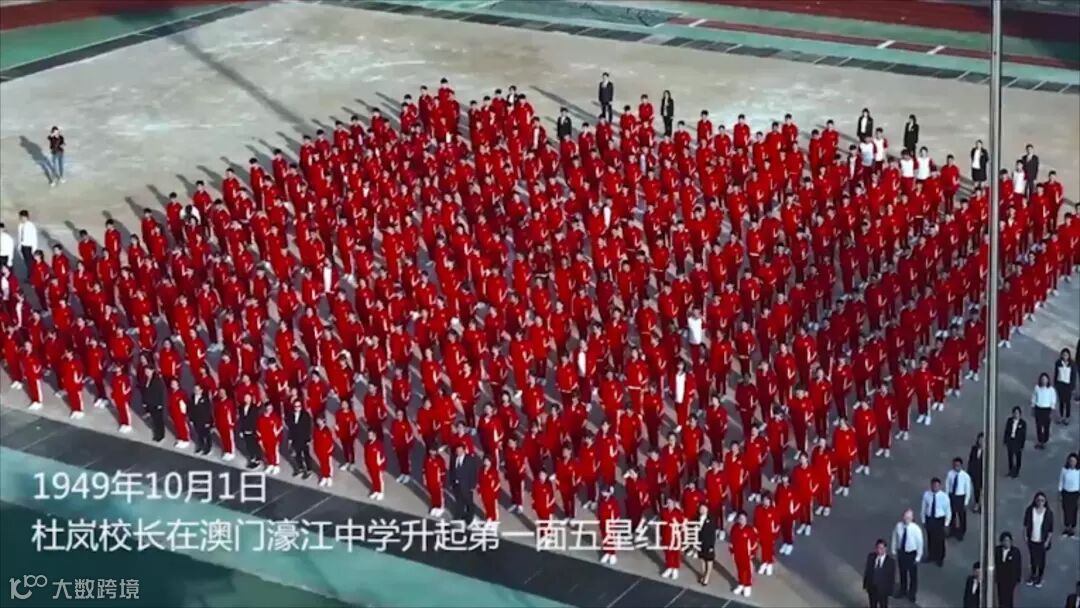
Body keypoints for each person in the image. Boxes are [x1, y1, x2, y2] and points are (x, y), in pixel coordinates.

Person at [890, 508, 923, 602]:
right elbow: (894, 537)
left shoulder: (916, 529)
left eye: (909, 517)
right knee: (902, 572)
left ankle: (912, 593)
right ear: (903, 517)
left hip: (911, 553)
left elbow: (920, 543)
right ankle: (903, 590)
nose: (907, 519)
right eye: (905, 517)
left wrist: (918, 557)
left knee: (913, 575)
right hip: (902, 552)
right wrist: (893, 550)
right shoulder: (898, 526)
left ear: (912, 518)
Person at [1022, 491, 1053, 587]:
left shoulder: (1048, 513)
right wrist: (1025, 536)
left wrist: (1047, 541)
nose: (1040, 502)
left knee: (1041, 560)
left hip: (1042, 541)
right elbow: (1025, 525)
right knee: (1033, 559)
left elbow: (1050, 530)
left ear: (1045, 501)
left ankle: (1039, 576)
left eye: (1042, 500)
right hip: (1032, 539)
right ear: (1035, 500)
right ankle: (1033, 575)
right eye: (1038, 500)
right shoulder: (1030, 510)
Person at [920, 477, 950, 566]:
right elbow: (923, 508)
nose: (935, 487)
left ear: (940, 486)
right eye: (933, 486)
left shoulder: (944, 497)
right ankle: (931, 555)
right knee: (930, 538)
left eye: (937, 486)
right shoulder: (926, 495)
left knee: (940, 539)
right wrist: (923, 520)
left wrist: (946, 523)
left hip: (939, 519)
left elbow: (948, 511)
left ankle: (940, 558)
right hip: (930, 518)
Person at [449, 443, 479, 523]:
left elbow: (473, 472)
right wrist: (451, 482)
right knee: (459, 502)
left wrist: (472, 485)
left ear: (464, 450)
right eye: (457, 450)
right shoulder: (454, 458)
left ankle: (470, 517)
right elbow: (451, 471)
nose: (458, 452)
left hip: (466, 485)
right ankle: (458, 516)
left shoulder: (469, 459)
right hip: (456, 485)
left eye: (460, 450)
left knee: (469, 502)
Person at [862, 538, 896, 608]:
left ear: (885, 549)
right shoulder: (871, 557)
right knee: (872, 604)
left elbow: (891, 577)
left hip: (883, 590)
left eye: (881, 548)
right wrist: (865, 584)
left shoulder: (890, 562)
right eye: (878, 548)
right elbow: (868, 571)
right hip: (872, 587)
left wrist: (890, 591)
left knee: (883, 605)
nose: (879, 550)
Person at [945, 457, 972, 541]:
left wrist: (966, 501)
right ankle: (952, 530)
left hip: (961, 497)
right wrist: (947, 497)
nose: (956, 467)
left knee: (961, 516)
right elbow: (947, 485)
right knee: (952, 514)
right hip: (952, 496)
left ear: (961, 466)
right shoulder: (950, 474)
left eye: (958, 465)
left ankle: (961, 532)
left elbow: (968, 489)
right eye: (955, 465)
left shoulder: (965, 476)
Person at [285, 401, 313, 479]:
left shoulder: (305, 415)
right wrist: (290, 439)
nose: (297, 408)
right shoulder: (291, 415)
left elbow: (308, 427)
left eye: (299, 406)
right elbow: (290, 428)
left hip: (303, 438)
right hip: (295, 438)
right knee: (297, 454)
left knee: (306, 454)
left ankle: (309, 469)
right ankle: (300, 468)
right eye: (295, 406)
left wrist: (308, 439)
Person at [995, 531, 1022, 608]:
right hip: (1000, 577)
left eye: (1008, 541)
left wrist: (1018, 578)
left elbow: (1018, 565)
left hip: (1010, 579)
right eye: (1005, 541)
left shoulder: (1015, 552)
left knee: (1008, 596)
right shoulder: (997, 550)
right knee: (1000, 594)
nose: (1007, 543)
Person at [1031, 372, 1057, 449]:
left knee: (1046, 426)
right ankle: (1040, 441)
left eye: (1045, 379)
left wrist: (1052, 410)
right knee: (1038, 426)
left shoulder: (1051, 389)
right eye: (1042, 379)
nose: (1044, 381)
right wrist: (1033, 407)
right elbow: (1034, 398)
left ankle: (1045, 441)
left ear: (1048, 380)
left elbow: (1053, 400)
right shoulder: (1037, 388)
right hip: (1038, 408)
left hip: (1047, 409)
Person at [141, 367, 166, 442]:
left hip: (156, 404)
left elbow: (160, 393)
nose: (147, 373)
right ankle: (156, 433)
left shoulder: (157, 380)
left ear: (152, 371)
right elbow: (144, 392)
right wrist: (144, 402)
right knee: (154, 419)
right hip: (150, 403)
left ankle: (160, 435)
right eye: (145, 371)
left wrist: (160, 404)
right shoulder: (146, 379)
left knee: (158, 420)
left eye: (148, 371)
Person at [1053, 348, 1077, 425]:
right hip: (1060, 385)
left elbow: (1073, 376)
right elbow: (1056, 373)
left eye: (1066, 355)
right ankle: (1061, 416)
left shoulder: (1072, 364)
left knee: (1067, 402)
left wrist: (1073, 387)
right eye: (1063, 355)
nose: (1065, 356)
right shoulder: (1058, 363)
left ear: (1069, 356)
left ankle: (1067, 417)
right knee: (1061, 401)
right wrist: (1055, 384)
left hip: (1068, 386)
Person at [696, 503, 717, 585]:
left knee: (709, 560)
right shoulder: (697, 518)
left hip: (708, 543)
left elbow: (712, 534)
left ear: (707, 509)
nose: (702, 510)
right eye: (701, 508)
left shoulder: (711, 519)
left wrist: (711, 545)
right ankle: (703, 574)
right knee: (702, 559)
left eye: (704, 508)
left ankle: (707, 577)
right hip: (700, 542)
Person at [1003, 407, 1027, 477]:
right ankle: (1010, 470)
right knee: (1010, 456)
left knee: (1018, 457)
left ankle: (1017, 471)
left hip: (1018, 442)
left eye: (1017, 413)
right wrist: (1005, 440)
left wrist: (1022, 445)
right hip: (1010, 441)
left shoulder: (1023, 423)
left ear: (1020, 414)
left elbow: (1023, 435)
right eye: (1015, 413)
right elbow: (1006, 431)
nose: (1016, 414)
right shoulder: (1009, 421)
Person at [190, 384, 213, 455]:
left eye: (198, 390)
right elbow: (191, 409)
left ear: (201, 391)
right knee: (199, 435)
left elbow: (208, 411)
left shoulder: (205, 399)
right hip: (196, 420)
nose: (196, 391)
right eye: (195, 389)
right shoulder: (192, 397)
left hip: (204, 421)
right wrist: (191, 419)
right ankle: (200, 446)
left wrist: (208, 422)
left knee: (207, 435)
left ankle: (208, 448)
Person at [1061, 453, 1079, 538]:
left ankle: (1072, 527)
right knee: (1066, 509)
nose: (1072, 463)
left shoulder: (1078, 471)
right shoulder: (1064, 470)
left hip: (1075, 493)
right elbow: (1061, 481)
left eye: (1074, 461)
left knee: (1074, 510)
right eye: (1071, 461)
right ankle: (1067, 526)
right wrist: (1060, 491)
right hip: (1066, 492)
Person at [968, 433, 984, 513]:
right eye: (980, 440)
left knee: (983, 490)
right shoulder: (974, 449)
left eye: (983, 440)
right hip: (975, 473)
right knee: (976, 490)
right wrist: (969, 472)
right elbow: (971, 461)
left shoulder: (988, 451)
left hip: (983, 474)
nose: (981, 442)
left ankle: (983, 505)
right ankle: (977, 503)